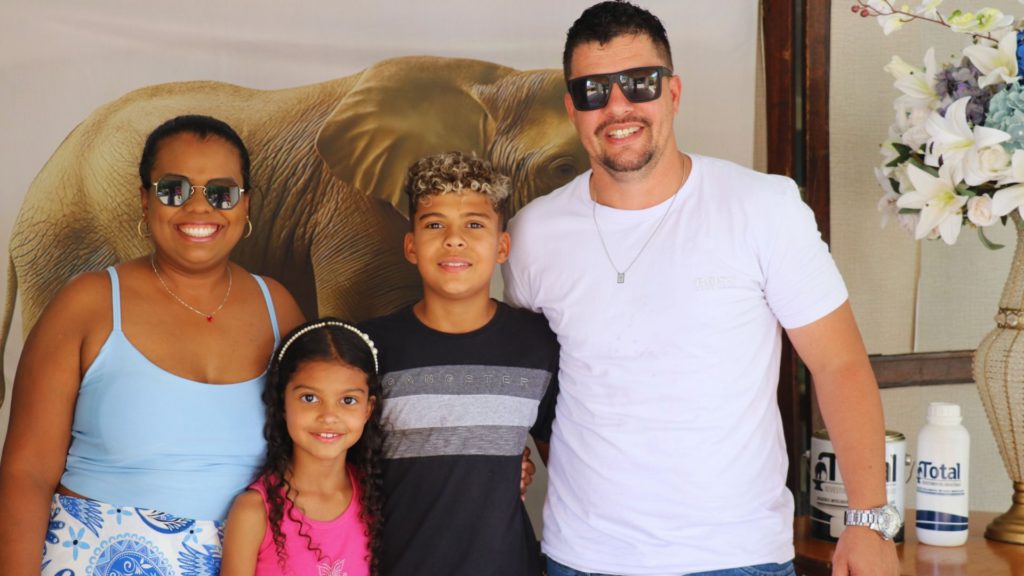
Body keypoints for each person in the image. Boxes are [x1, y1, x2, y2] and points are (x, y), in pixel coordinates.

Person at [502, 2, 900, 576]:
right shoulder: (532, 235)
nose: (618, 106)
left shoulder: (763, 207)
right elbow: (524, 377)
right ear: (572, 109)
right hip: (582, 557)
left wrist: (868, 520)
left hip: (739, 557)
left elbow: (839, 364)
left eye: (639, 83)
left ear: (673, 92)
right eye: (593, 91)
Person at [0, 114, 304, 575]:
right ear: (145, 201)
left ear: (245, 205)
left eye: (221, 192)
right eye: (173, 190)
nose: (198, 208)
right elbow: (27, 473)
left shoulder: (278, 308)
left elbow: (313, 458)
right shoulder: (89, 303)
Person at [359, 151, 559, 576]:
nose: (454, 239)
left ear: (502, 246)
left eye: (474, 224)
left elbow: (569, 462)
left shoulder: (538, 344)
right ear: (411, 246)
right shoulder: (370, 347)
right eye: (435, 225)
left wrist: (502, 468)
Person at [221, 318, 383, 576]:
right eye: (310, 398)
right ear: (282, 403)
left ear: (368, 409)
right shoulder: (253, 512)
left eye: (348, 400)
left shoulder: (375, 500)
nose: (328, 416)